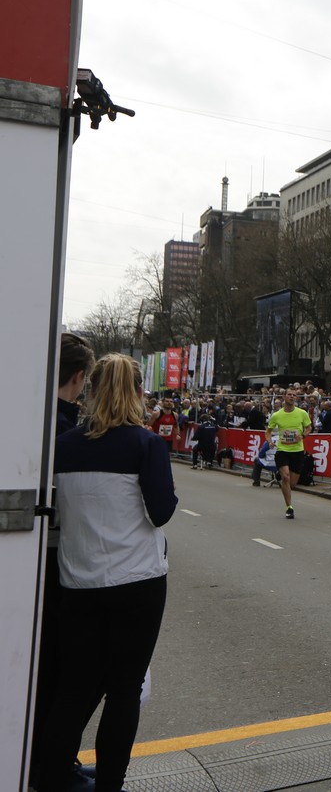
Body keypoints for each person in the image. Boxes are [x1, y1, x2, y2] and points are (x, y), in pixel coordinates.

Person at [39, 354, 177, 792]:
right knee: (123, 690)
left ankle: (51, 776)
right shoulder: (146, 444)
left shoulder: (63, 444)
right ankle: (110, 784)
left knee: (74, 688)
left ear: (92, 390)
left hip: (78, 580)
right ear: (138, 392)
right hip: (137, 580)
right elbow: (161, 512)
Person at [32, 334, 96, 791]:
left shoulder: (38, 416)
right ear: (77, 377)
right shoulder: (59, 427)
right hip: (53, 558)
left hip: (44, 553)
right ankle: (49, 767)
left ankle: (54, 761)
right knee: (59, 670)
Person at [267, 391, 312, 519]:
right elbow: (268, 432)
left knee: (292, 484)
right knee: (286, 478)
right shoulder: (277, 415)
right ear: (284, 397)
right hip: (282, 450)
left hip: (297, 451)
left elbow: (309, 428)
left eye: (294, 395)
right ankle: (289, 507)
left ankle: (281, 477)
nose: (292, 396)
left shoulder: (302, 413)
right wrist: (270, 441)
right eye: (289, 394)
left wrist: (302, 435)